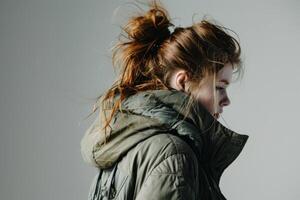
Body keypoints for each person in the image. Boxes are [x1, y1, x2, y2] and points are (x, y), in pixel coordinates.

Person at [80, 1, 249, 199]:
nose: (226, 101)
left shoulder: (133, 142)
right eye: (219, 87)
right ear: (184, 82)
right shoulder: (174, 154)